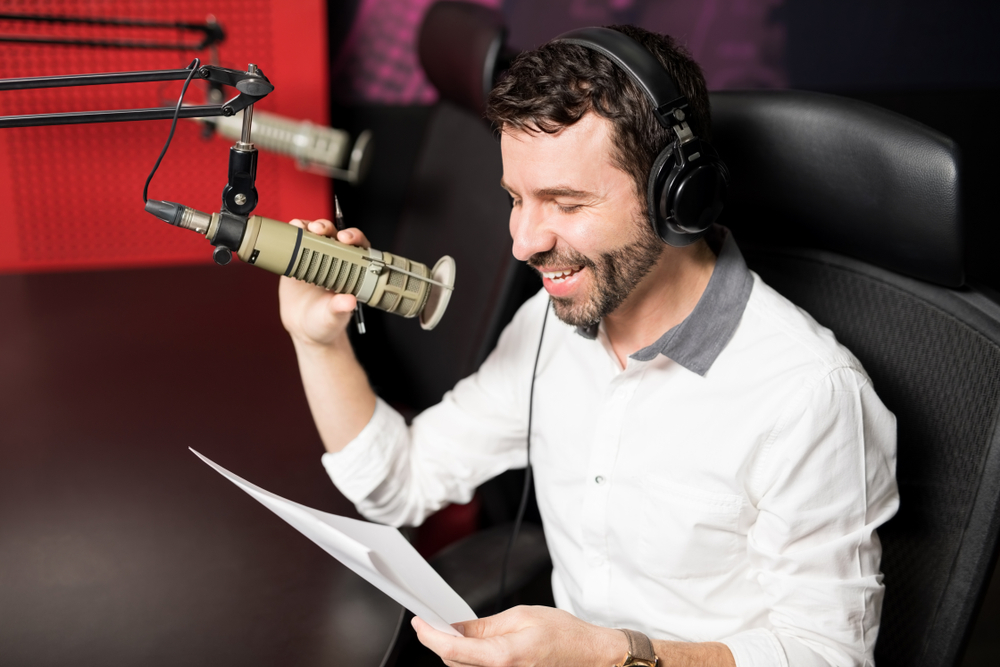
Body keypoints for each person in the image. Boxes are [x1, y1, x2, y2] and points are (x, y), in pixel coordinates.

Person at [279, 24, 898, 667]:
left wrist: (610, 656)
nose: (523, 242)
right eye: (516, 198)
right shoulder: (549, 325)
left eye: (565, 203)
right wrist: (316, 341)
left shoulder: (809, 394)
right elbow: (398, 484)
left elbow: (828, 656)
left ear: (676, 199)